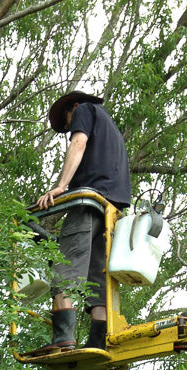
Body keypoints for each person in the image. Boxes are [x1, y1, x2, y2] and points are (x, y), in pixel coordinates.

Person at [36, 90, 131, 351]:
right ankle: (99, 341)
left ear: (73, 107)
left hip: (88, 200)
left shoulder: (84, 110)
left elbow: (78, 142)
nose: (69, 128)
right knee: (97, 276)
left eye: (67, 123)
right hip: (111, 209)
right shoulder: (111, 128)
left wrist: (61, 186)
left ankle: (63, 338)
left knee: (65, 266)